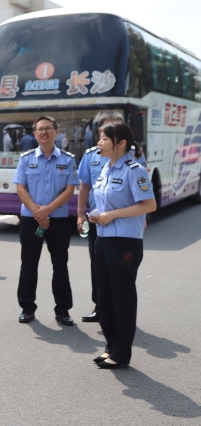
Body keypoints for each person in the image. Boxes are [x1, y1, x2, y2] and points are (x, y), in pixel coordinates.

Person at [89, 123, 156, 369]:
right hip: (102, 239)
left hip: (125, 242)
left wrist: (113, 215)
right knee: (104, 296)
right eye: (99, 138)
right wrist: (97, 215)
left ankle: (121, 353)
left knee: (122, 297)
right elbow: (105, 203)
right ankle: (110, 346)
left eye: (104, 138)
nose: (99, 142)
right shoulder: (105, 168)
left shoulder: (134, 170)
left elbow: (149, 205)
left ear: (121, 143)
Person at [12, 116, 78, 326]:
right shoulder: (26, 159)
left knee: (60, 265)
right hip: (31, 218)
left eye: (48, 128)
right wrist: (36, 211)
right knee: (29, 264)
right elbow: (20, 188)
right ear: (34, 134)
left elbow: (70, 190)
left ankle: (63, 310)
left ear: (56, 132)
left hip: (57, 219)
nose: (44, 132)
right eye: (40, 129)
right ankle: (27, 308)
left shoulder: (67, 159)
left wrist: (47, 210)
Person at [77, 111, 129, 322]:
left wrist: (143, 218)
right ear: (99, 131)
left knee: (122, 268)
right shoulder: (91, 155)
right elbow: (84, 186)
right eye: (107, 128)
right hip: (97, 221)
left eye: (117, 126)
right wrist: (80, 214)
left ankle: (121, 311)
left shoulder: (133, 155)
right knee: (98, 265)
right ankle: (101, 306)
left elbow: (143, 194)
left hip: (123, 221)